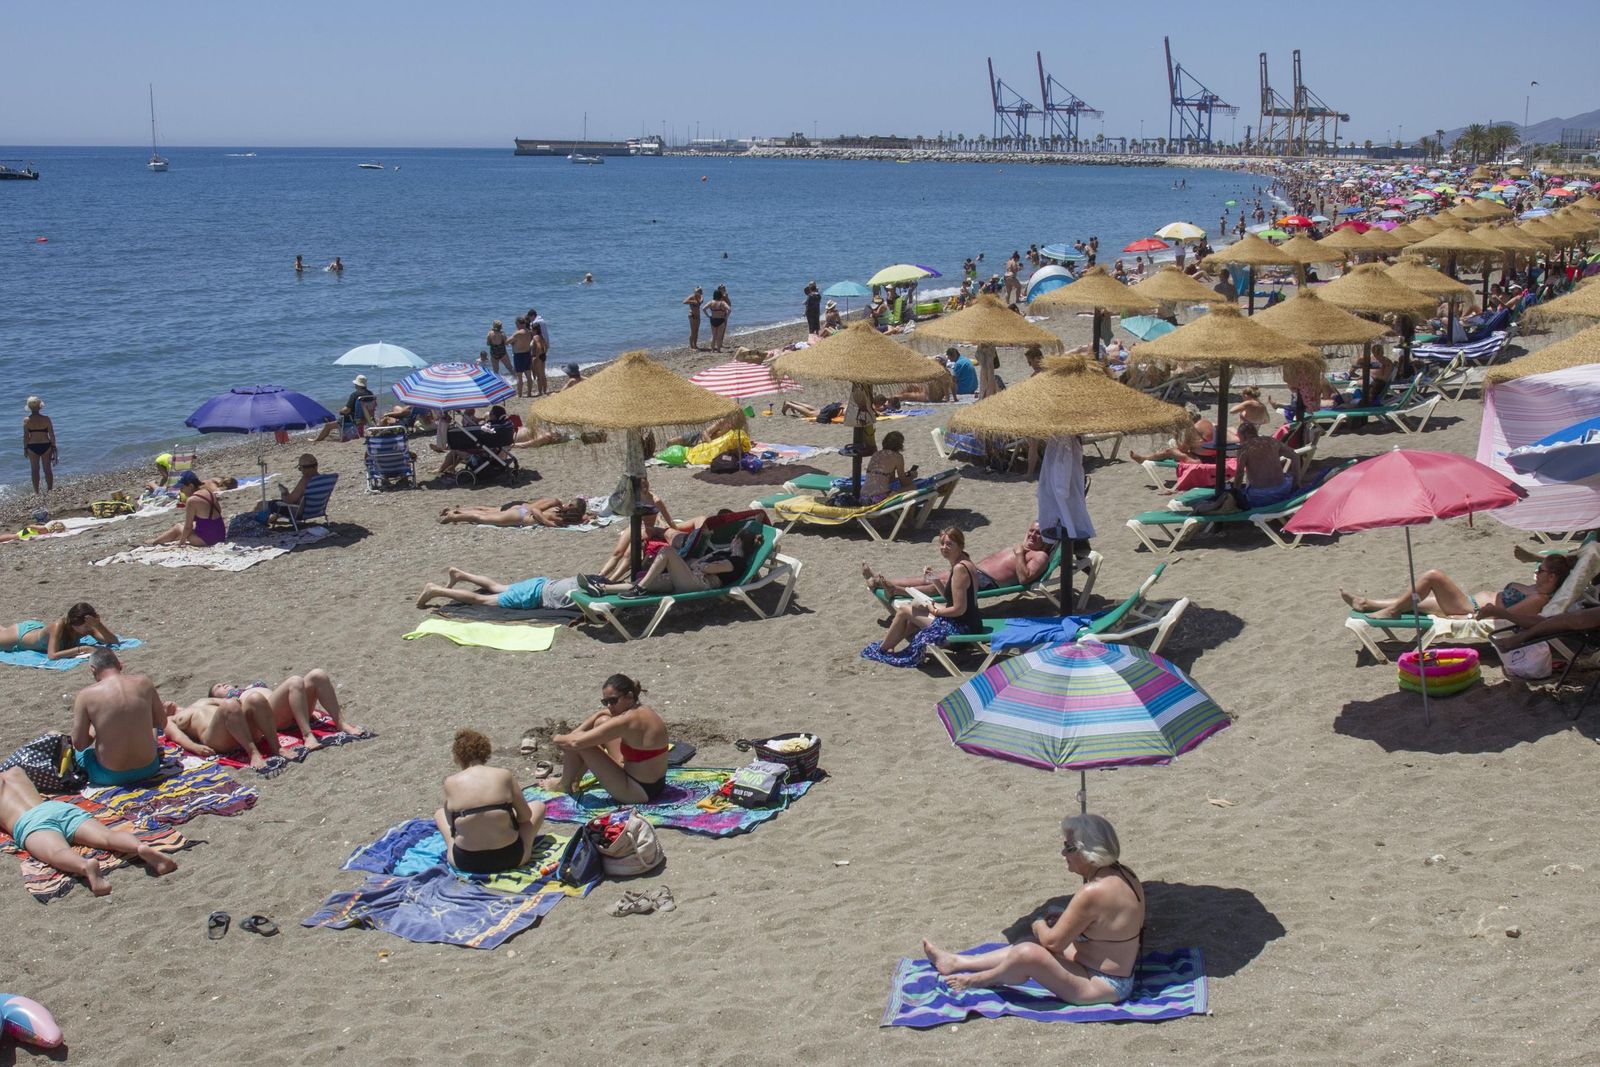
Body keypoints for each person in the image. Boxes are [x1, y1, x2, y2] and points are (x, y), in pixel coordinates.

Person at [920, 813, 1144, 1004]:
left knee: (1028, 951)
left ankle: (980, 979)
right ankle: (958, 962)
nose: (1063, 854)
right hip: (1114, 971)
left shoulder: (1092, 891)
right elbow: (1104, 921)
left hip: (1103, 985)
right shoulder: (1124, 874)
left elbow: (1053, 943)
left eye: (1068, 848)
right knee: (1032, 944)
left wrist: (1038, 923)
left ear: (1086, 852)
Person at [0, 767, 177, 896]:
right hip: (56, 808)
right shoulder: (16, 770)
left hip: (29, 822)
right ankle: (140, 847)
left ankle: (86, 867)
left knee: (57, 852)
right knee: (107, 836)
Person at [862, 527, 985, 666]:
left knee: (904, 610)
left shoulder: (959, 569)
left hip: (962, 630)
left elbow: (959, 609)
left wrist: (935, 611)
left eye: (949, 544)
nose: (944, 547)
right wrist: (934, 579)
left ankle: (883, 649)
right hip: (969, 622)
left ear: (960, 545)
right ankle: (890, 643)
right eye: (942, 543)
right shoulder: (962, 561)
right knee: (916, 604)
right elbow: (949, 597)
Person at [537, 675, 670, 803]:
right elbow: (602, 715)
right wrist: (589, 722)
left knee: (581, 744)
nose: (609, 706)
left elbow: (574, 742)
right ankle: (574, 780)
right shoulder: (641, 710)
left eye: (613, 701)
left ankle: (564, 784)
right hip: (654, 783)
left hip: (639, 791)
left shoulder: (627, 720)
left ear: (629, 696)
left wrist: (556, 738)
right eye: (605, 702)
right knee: (602, 721)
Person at [1343, 553, 1572, 623]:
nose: (1536, 572)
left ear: (1551, 577)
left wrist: (1472, 618)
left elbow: (1508, 617)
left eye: (1540, 570)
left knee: (1433, 576)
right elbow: (1573, 558)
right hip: (1469, 603)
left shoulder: (1539, 598)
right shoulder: (1538, 587)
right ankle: (1366, 603)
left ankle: (1391, 613)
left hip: (1469, 609)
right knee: (1416, 604)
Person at [435, 729, 545, 874]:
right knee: (539, 806)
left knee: (439, 813)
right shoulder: (504, 775)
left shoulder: (450, 782)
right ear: (486, 752)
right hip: (511, 857)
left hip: (466, 862)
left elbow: (453, 828)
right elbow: (525, 816)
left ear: (458, 756)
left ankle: (456, 847)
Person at [864, 520, 1051, 597]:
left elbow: (1025, 579)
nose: (1033, 535)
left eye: (1039, 534)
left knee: (940, 585)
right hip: (974, 569)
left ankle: (897, 591)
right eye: (1031, 531)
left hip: (987, 581)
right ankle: (881, 581)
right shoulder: (1023, 547)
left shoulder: (1039, 555)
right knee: (929, 577)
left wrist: (1019, 554)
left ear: (1046, 539)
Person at [71, 649, 165, 786]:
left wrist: (95, 729)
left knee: (80, 754)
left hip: (111, 775)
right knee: (151, 731)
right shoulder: (144, 682)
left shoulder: (85, 696)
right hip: (149, 768)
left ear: (92, 670)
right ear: (120, 665)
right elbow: (161, 722)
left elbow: (79, 744)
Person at [591, 524, 757, 598]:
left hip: (700, 583)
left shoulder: (737, 561)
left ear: (739, 542)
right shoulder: (727, 553)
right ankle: (603, 588)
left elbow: (711, 569)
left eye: (735, 538)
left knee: (667, 551)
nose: (732, 540)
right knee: (648, 581)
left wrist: (696, 564)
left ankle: (639, 590)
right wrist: (696, 563)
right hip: (690, 578)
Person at [208, 671, 362, 746]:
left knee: (318, 675)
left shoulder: (246, 688)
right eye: (218, 687)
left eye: (223, 683)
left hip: (283, 708)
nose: (223, 685)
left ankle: (342, 723)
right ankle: (307, 735)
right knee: (294, 680)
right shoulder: (227, 702)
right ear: (215, 696)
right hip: (269, 717)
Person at [162, 694, 281, 770]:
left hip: (237, 724)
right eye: (159, 706)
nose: (163, 703)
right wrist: (195, 747)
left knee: (256, 698)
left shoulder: (202, 700)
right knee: (229, 705)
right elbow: (177, 737)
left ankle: (277, 747)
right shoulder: (169, 720)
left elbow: (235, 701)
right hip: (216, 737)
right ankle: (253, 753)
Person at [2, 602, 118, 660]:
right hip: (21, 636)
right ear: (74, 624)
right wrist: (82, 649)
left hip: (37, 629)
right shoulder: (58, 626)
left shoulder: (86, 628)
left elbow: (113, 641)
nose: (89, 629)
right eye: (86, 627)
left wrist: (98, 625)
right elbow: (52, 655)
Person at [1230, 421, 1300, 508]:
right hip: (1284, 490)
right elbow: (1294, 456)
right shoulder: (1271, 441)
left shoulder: (1244, 449)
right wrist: (1296, 482)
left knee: (1244, 488)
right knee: (1287, 476)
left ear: (1243, 436)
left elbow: (1240, 474)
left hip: (1261, 496)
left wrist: (1235, 494)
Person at [147, 472, 227, 546]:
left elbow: (188, 526)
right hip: (221, 535)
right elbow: (218, 511)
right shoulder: (208, 492)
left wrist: (182, 541)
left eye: (182, 487)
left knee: (178, 527)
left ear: (191, 486)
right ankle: (157, 540)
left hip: (207, 540)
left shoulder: (192, 500)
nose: (181, 490)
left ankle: (155, 542)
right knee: (191, 527)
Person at [438, 498, 592, 527]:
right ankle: (453, 516)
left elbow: (582, 518)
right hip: (521, 514)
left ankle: (456, 512)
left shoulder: (561, 513)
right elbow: (535, 510)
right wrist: (548, 523)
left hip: (521, 510)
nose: (567, 504)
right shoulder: (558, 512)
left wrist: (589, 516)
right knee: (482, 517)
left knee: (485, 512)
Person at [263, 454, 321, 522]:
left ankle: (259, 522)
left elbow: (289, 501)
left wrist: (284, 493)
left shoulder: (305, 480)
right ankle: (273, 518)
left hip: (299, 512)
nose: (301, 471)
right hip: (317, 510)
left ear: (304, 468)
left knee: (267, 504)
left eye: (300, 468)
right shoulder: (324, 479)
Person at [860, 431, 915, 502]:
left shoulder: (876, 454)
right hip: (877, 498)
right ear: (900, 445)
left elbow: (889, 479)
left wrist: (903, 476)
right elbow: (904, 483)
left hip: (863, 497)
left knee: (893, 489)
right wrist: (912, 476)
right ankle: (910, 513)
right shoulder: (898, 457)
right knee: (912, 487)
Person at [22, 396, 56, 494]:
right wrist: (53, 446)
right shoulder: (46, 419)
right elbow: (52, 434)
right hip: (46, 445)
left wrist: (25, 448)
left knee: (35, 470)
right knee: (47, 469)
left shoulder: (26, 420)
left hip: (32, 446)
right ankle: (50, 490)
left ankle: (36, 492)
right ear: (40, 407)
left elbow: (25, 436)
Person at [509, 317, 535, 398]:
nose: (516, 326)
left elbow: (507, 341)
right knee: (528, 375)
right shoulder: (529, 332)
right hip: (527, 354)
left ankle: (519, 395)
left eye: (516, 324)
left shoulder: (518, 333)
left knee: (519, 376)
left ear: (519, 324)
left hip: (519, 356)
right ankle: (529, 393)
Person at [527, 309, 551, 397]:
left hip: (538, 356)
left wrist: (536, 356)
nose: (531, 331)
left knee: (538, 374)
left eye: (532, 329)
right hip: (543, 355)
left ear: (535, 330)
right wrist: (543, 352)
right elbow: (544, 345)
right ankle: (545, 390)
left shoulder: (536, 337)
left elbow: (539, 347)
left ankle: (540, 391)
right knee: (542, 373)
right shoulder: (542, 337)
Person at [704, 287, 731, 353]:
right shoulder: (723, 303)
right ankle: (718, 350)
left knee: (713, 336)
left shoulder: (711, 302)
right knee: (719, 336)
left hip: (713, 319)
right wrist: (726, 317)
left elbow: (703, 308)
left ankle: (712, 350)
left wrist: (708, 316)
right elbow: (729, 309)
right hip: (721, 320)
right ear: (720, 295)